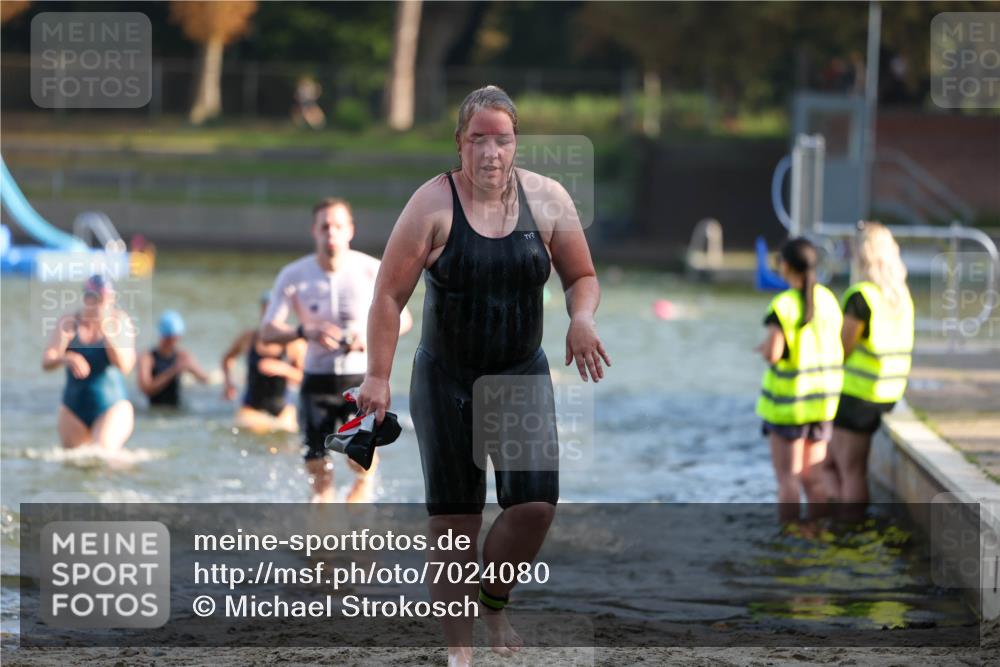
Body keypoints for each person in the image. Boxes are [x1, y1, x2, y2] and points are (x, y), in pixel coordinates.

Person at [355, 85, 610, 666]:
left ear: (516, 143)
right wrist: (377, 377)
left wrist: (582, 319)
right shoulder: (432, 204)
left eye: (502, 139)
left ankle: (492, 603)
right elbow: (388, 297)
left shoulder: (548, 199)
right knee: (455, 522)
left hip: (521, 377)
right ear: (460, 143)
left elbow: (582, 277)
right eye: (478, 140)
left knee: (535, 507)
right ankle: (460, 651)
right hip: (446, 380)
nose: (491, 152)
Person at [260, 198, 412, 503]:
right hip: (316, 381)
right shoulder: (294, 275)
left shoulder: (371, 269)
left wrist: (366, 337)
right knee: (317, 466)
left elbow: (404, 319)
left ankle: (363, 490)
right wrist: (305, 331)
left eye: (338, 226)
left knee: (358, 458)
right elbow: (267, 331)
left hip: (360, 380)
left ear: (350, 230)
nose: (331, 233)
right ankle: (325, 519)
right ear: (314, 231)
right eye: (325, 227)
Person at [755, 238, 844, 521]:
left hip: (789, 407)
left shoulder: (783, 304)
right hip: (822, 405)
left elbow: (774, 353)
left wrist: (764, 349)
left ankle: (790, 537)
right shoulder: (828, 300)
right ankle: (818, 533)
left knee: (788, 480)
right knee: (814, 480)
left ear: (786, 266)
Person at [826, 222, 914, 506]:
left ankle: (847, 526)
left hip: (859, 396)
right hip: (889, 392)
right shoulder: (901, 295)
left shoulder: (860, 296)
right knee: (845, 467)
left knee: (846, 470)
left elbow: (842, 347)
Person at [41, 275, 136, 450]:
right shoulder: (69, 322)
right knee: (73, 459)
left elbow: (125, 367)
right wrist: (66, 358)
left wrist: (106, 332)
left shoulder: (120, 322)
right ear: (86, 298)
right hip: (73, 408)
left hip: (112, 405)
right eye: (96, 298)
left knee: (103, 452)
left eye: (107, 299)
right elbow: (47, 361)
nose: (102, 304)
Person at [221, 292, 306, 434]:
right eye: (267, 311)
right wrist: (228, 383)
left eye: (274, 312)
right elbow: (227, 359)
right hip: (251, 406)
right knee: (254, 431)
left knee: (285, 434)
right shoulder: (248, 337)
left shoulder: (294, 343)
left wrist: (283, 369)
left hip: (283, 408)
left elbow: (304, 378)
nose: (270, 316)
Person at [137, 310, 209, 408]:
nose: (173, 342)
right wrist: (174, 370)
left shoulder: (182, 356)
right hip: (154, 408)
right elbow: (146, 389)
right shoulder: (147, 358)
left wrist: (192, 369)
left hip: (176, 407)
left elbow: (205, 379)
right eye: (169, 338)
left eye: (176, 338)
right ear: (162, 336)